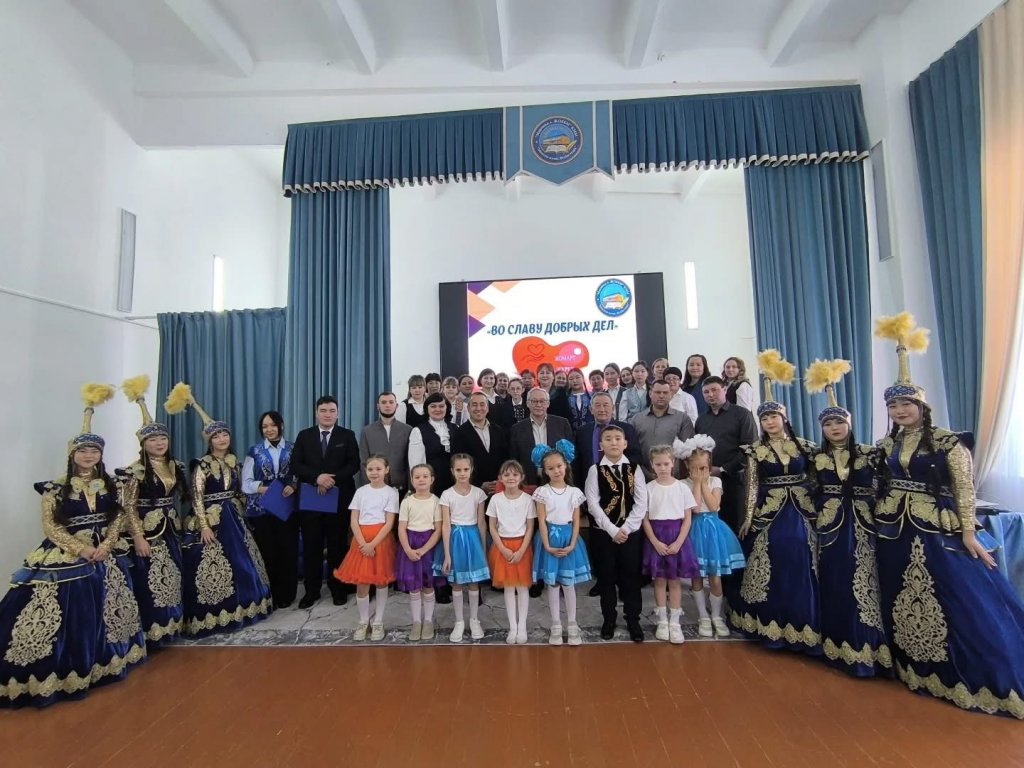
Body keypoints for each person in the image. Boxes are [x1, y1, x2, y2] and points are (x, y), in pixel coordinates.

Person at [874, 313, 1024, 718]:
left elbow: (964, 489)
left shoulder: (949, 443)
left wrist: (970, 532)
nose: (899, 410)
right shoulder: (886, 444)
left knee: (960, 598)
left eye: (905, 403)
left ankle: (983, 676)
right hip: (896, 531)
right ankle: (918, 668)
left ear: (921, 405)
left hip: (936, 530)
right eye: (892, 405)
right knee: (901, 596)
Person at [0, 384, 145, 708]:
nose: (88, 456)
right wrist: (81, 550)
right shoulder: (55, 488)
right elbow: (51, 526)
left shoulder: (112, 485)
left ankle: (105, 663)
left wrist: (106, 545)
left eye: (94, 451)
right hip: (68, 552)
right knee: (68, 606)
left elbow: (119, 517)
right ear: (72, 454)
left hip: (105, 550)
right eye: (83, 451)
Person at [729, 352, 820, 655]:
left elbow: (816, 480)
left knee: (803, 561)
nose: (769, 422)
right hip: (770, 512)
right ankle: (770, 624)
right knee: (771, 559)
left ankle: (806, 623)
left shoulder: (805, 446)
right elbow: (752, 485)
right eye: (764, 418)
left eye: (773, 417)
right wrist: (747, 518)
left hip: (802, 510)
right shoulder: (755, 451)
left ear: (784, 418)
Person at [804, 359, 890, 677]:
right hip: (830, 527)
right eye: (828, 424)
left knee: (867, 580)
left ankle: (870, 646)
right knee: (833, 579)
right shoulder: (816, 458)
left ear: (849, 424)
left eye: (839, 422)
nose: (834, 428)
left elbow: (884, 488)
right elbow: (810, 490)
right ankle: (835, 645)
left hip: (865, 525)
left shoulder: (870, 454)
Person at [165, 383, 273, 636]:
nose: (222, 439)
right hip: (213, 518)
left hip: (234, 516)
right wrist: (203, 526)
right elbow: (196, 497)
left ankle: (247, 607)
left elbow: (240, 491)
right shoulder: (201, 465)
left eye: (224, 434)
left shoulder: (235, 462)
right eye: (216, 436)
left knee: (243, 562)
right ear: (209, 441)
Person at [118, 375, 189, 645]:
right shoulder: (134, 472)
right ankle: (154, 630)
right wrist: (138, 537)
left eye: (162, 438)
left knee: (173, 575)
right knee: (151, 578)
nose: (159, 443)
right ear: (143, 444)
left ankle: (172, 625)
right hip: (147, 531)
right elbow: (128, 506)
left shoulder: (175, 466)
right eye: (153, 439)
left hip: (170, 527)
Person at [291, 394, 361, 608]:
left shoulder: (347, 435)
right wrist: (317, 478)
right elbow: (296, 464)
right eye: (323, 411)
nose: (327, 414)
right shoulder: (304, 436)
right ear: (316, 413)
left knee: (337, 546)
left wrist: (331, 480)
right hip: (311, 500)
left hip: (338, 499)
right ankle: (311, 591)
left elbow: (354, 464)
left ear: (337, 414)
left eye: (332, 411)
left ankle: (338, 588)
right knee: (311, 546)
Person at [573, 392, 640, 598]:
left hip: (622, 494)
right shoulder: (582, 431)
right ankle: (603, 582)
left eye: (606, 405)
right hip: (593, 493)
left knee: (623, 541)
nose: (602, 409)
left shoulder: (626, 429)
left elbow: (636, 457)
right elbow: (577, 464)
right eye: (597, 405)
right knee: (600, 541)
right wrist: (581, 495)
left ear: (613, 408)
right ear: (591, 409)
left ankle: (624, 583)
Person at [585, 425, 649, 642]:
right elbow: (593, 503)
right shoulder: (595, 470)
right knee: (606, 577)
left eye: (617, 438)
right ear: (601, 445)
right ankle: (609, 619)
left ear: (625, 443)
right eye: (608, 439)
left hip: (630, 534)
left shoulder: (635, 469)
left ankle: (633, 620)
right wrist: (612, 529)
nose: (613, 442)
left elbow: (641, 502)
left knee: (631, 577)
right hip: (604, 534)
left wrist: (627, 528)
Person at [677, 435, 745, 639]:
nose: (700, 472)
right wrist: (697, 483)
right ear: (687, 467)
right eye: (695, 468)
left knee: (715, 577)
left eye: (703, 468)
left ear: (709, 466)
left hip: (715, 531)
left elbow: (714, 505)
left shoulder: (715, 480)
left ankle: (716, 616)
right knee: (697, 576)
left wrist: (704, 483)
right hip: (694, 530)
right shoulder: (683, 484)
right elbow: (696, 508)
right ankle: (703, 616)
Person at [334, 455, 399, 642]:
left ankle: (378, 621)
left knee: (381, 581)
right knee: (362, 583)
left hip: (381, 540)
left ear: (386, 470)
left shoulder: (391, 493)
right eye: (370, 469)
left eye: (378, 469)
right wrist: (363, 543)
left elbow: (389, 523)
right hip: (361, 540)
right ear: (365, 471)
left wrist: (373, 544)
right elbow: (354, 520)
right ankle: (363, 620)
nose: (374, 473)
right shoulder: (361, 492)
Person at [532, 444, 592, 647]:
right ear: (545, 471)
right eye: (551, 468)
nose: (556, 471)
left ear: (565, 465)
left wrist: (573, 542)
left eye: (559, 466)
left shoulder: (574, 492)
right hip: (549, 538)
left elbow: (576, 521)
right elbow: (541, 521)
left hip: (568, 539)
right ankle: (556, 624)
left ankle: (572, 623)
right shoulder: (542, 492)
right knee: (553, 584)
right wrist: (547, 545)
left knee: (568, 583)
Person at [641, 445, 699, 644]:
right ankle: (662, 621)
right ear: (652, 465)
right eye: (658, 464)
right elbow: (644, 518)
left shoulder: (682, 488)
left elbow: (687, 518)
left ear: (673, 463)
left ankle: (675, 623)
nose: (663, 468)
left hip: (676, 537)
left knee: (674, 581)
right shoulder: (648, 488)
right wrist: (655, 542)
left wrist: (679, 542)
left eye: (666, 463)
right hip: (656, 537)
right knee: (659, 580)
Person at [241, 410, 299, 610]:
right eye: (265, 426)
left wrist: (294, 485)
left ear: (281, 425)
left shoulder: (293, 448)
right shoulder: (254, 451)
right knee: (268, 552)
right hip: (262, 509)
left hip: (287, 507)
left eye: (273, 425)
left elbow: (301, 473)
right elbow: (245, 483)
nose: (269, 429)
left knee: (288, 550)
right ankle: (270, 594)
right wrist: (262, 488)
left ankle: (287, 594)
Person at [434, 454, 490, 642]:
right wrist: (447, 554)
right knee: (456, 582)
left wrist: (482, 549)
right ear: (452, 471)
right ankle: (459, 621)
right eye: (458, 470)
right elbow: (446, 525)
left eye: (466, 469)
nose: (462, 473)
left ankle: (474, 620)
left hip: (473, 539)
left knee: (473, 581)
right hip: (455, 540)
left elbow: (481, 522)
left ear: (471, 469)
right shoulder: (447, 495)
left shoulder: (478, 493)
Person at [694, 376, 758, 534]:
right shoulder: (701, 420)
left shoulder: (742, 414)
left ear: (725, 389)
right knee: (714, 526)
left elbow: (750, 448)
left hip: (736, 480)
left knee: (737, 526)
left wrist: (723, 469)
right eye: (706, 392)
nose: (710, 394)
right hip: (709, 481)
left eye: (714, 390)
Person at [486, 460, 536, 645]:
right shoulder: (496, 499)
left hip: (522, 546)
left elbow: (530, 527)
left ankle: (522, 626)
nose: (511, 478)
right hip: (503, 547)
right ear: (500, 478)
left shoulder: (528, 499)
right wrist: (502, 548)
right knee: (508, 587)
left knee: (522, 587)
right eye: (506, 474)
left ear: (522, 477)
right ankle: (512, 627)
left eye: (515, 474)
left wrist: (522, 550)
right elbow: (492, 527)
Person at [395, 464, 442, 641]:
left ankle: (428, 621)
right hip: (410, 544)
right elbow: (401, 528)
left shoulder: (436, 501)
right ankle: (416, 622)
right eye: (417, 477)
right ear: (412, 480)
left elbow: (438, 530)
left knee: (428, 585)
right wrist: (408, 549)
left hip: (428, 546)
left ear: (432, 479)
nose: (421, 480)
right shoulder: (407, 502)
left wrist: (424, 549)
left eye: (425, 476)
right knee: (414, 586)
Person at [509, 388, 574, 487]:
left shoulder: (562, 424)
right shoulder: (517, 429)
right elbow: (515, 459)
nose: (538, 405)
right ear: (527, 403)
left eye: (542, 401)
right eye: (534, 401)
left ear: (548, 403)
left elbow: (570, 455)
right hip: (528, 482)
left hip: (557, 481)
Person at [630, 379, 695, 478]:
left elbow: (687, 451)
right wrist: (645, 474)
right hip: (643, 477)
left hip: (673, 478)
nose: (661, 396)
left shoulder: (682, 418)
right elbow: (632, 450)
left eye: (665, 393)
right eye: (657, 392)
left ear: (671, 395)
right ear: (650, 393)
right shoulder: (637, 419)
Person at [451, 391, 508, 495]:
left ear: (487, 408)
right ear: (468, 408)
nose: (478, 408)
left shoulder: (498, 430)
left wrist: (501, 481)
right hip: (472, 491)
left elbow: (505, 458)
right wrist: (479, 484)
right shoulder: (459, 433)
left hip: (499, 489)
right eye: (474, 405)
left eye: (482, 404)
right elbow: (458, 464)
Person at [359, 391, 413, 495]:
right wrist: (367, 488)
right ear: (378, 406)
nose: (387, 405)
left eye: (391, 402)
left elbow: (410, 462)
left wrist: (411, 489)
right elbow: (364, 462)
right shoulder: (367, 431)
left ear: (396, 405)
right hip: (375, 488)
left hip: (402, 489)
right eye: (383, 402)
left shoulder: (407, 430)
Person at [408, 393, 455, 494]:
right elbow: (416, 464)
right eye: (433, 406)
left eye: (441, 406)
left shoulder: (456, 428)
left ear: (447, 408)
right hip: (431, 485)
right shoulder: (418, 431)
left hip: (455, 483)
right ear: (426, 408)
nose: (437, 409)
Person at [565, 368, 593, 433]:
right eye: (571, 379)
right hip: (570, 434)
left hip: (589, 433)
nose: (574, 381)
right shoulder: (565, 398)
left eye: (577, 377)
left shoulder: (592, 396)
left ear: (583, 378)